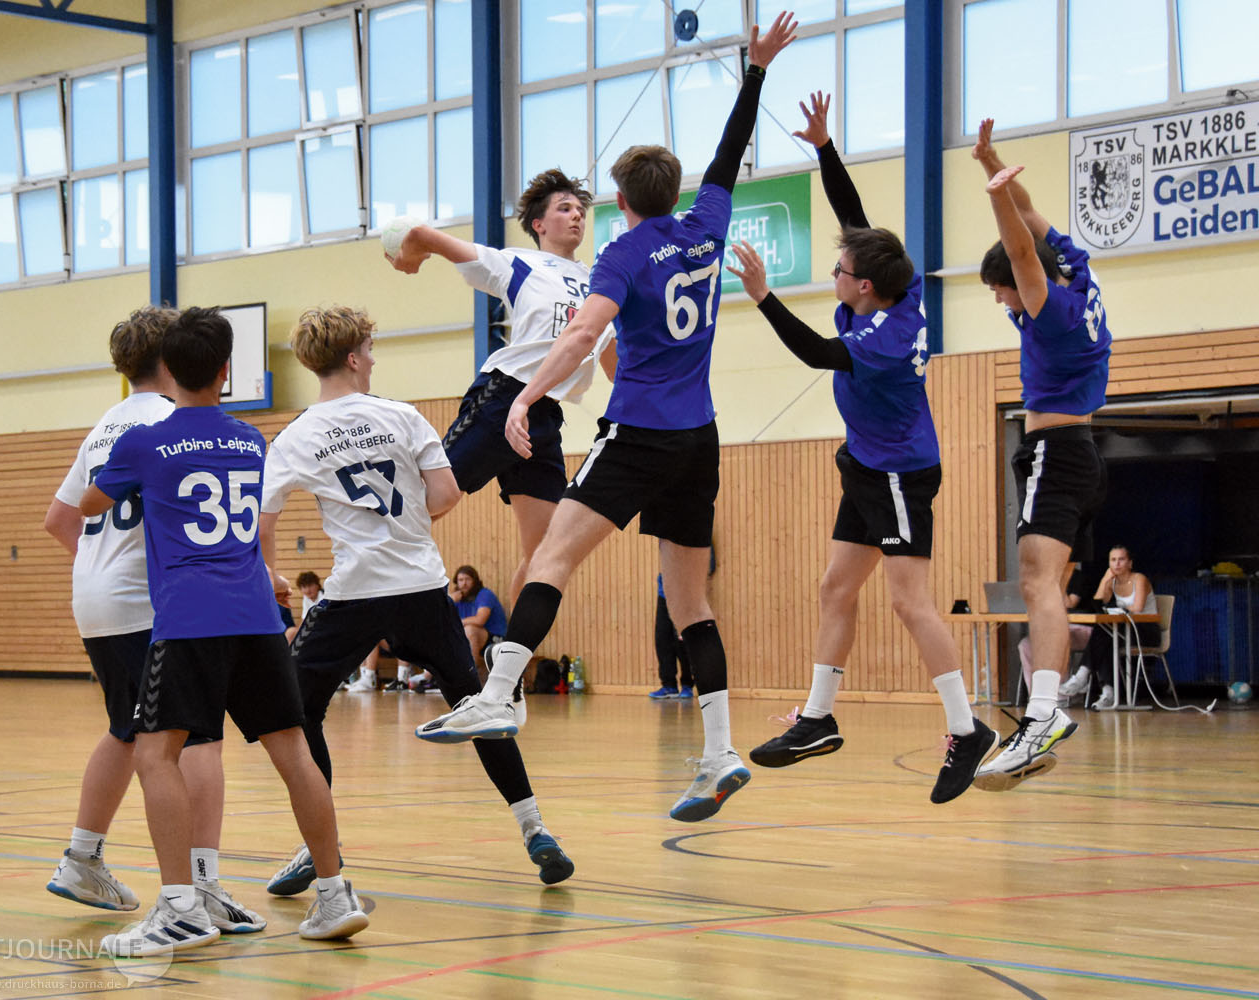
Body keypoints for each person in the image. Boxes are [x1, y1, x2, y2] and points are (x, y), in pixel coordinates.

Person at [414, 12, 799, 825]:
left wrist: (526, 396)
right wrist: (756, 71)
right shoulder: (707, 229)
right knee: (690, 602)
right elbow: (729, 154)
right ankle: (719, 751)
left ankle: (497, 692)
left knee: (551, 557)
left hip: (639, 434)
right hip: (700, 437)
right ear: (677, 194)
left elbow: (582, 335)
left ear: (619, 202)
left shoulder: (621, 256)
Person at [728, 93, 994, 804]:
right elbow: (855, 221)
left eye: (841, 272)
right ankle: (817, 718)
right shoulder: (894, 289)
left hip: (902, 475)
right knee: (835, 588)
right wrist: (823, 147)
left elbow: (817, 353)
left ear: (864, 287)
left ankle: (966, 729)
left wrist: (763, 296)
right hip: (867, 466)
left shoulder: (884, 338)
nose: (834, 274)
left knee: (910, 602)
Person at [81, 306, 368, 956]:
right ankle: (334, 893)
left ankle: (180, 908)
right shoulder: (248, 439)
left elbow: (92, 501)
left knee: (154, 755)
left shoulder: (143, 443)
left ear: (161, 369)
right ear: (226, 371)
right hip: (257, 619)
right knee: (294, 754)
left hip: (189, 621)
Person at [257, 306, 574, 888]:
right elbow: (447, 495)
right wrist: (402, 522)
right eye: (369, 350)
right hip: (422, 588)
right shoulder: (402, 416)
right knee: (477, 706)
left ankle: (319, 846)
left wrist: (271, 574)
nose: (373, 359)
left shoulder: (295, 436)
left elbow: (265, 518)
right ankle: (535, 829)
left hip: (353, 593)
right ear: (353, 358)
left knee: (297, 714)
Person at [42, 305, 262, 936]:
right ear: (175, 359)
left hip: (96, 600)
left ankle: (82, 857)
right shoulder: (177, 423)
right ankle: (201, 887)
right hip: (155, 603)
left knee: (127, 730)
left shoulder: (105, 426)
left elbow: (60, 520)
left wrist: (103, 568)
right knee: (198, 740)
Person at [390, 170, 616, 602]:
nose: (576, 216)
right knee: (434, 500)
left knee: (545, 555)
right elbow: (432, 239)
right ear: (539, 224)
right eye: (564, 208)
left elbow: (612, 363)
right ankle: (368, 583)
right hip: (504, 397)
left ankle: (513, 643)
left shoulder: (599, 283)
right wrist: (412, 247)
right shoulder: (520, 264)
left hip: (544, 416)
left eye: (580, 210)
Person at [970, 118, 1112, 791]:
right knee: (1044, 584)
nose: (1000, 299)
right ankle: (1044, 712)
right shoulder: (1079, 273)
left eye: (997, 289)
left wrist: (997, 196)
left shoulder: (1050, 309)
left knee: (1036, 582)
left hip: (1056, 451)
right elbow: (1033, 225)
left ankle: (1044, 713)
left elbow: (1021, 247)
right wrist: (993, 167)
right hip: (1078, 450)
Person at [1062, 545, 1158, 710]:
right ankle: (1107, 692)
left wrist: (1118, 609)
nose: (1117, 564)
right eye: (1113, 560)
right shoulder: (1112, 582)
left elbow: (1137, 608)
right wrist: (1105, 579)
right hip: (1121, 631)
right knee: (1105, 637)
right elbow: (1099, 602)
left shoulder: (1139, 579)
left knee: (1105, 636)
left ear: (1130, 563)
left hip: (1144, 631)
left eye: (1121, 559)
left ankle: (1083, 676)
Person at [1018, 563, 1092, 700]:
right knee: (1025, 645)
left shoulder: (1079, 577)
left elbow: (1069, 603)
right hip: (1053, 627)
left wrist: (1058, 583)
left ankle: (1060, 694)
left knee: (1056, 640)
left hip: (1079, 627)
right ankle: (1036, 694)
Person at [449, 564, 507, 667]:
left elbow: (480, 620)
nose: (464, 583)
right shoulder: (457, 599)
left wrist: (459, 622)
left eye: (467, 579)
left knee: (469, 629)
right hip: (470, 640)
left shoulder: (484, 594)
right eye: (461, 580)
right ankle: (427, 675)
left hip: (495, 640)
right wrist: (449, 601)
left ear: (474, 581)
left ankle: (471, 672)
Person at [648, 573, 694, 700]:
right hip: (664, 596)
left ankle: (687, 685)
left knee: (682, 641)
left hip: (683, 596)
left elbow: (708, 567)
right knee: (663, 640)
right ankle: (669, 686)